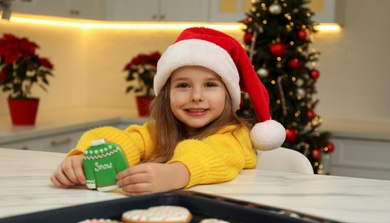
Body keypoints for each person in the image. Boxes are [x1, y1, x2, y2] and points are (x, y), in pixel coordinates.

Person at [50, 27, 285, 196]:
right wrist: (89, 156)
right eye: (183, 85)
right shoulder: (158, 131)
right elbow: (128, 140)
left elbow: (215, 155)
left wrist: (176, 174)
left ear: (228, 95)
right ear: (167, 94)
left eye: (210, 85)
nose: (196, 96)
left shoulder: (235, 135)